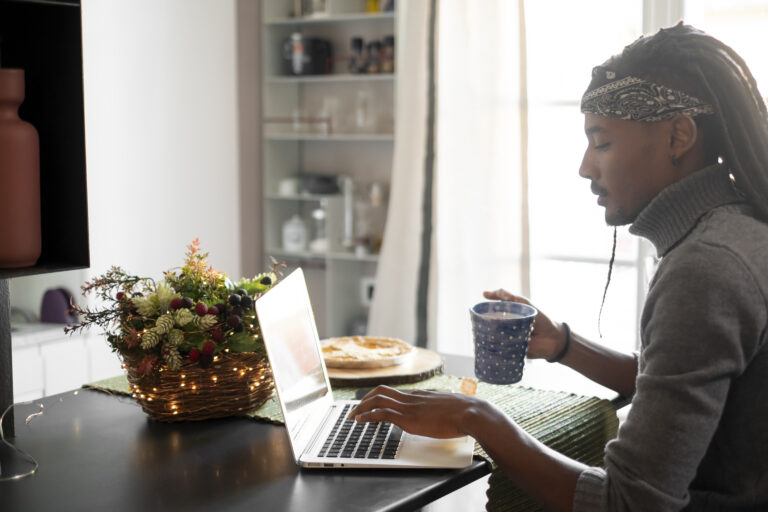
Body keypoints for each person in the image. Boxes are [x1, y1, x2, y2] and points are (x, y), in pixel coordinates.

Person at [349, 23, 768, 511]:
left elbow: (628, 504)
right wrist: (562, 344)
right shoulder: (736, 231)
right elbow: (677, 386)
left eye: (602, 142)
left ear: (679, 136)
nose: (585, 166)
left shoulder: (706, 268)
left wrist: (477, 416)